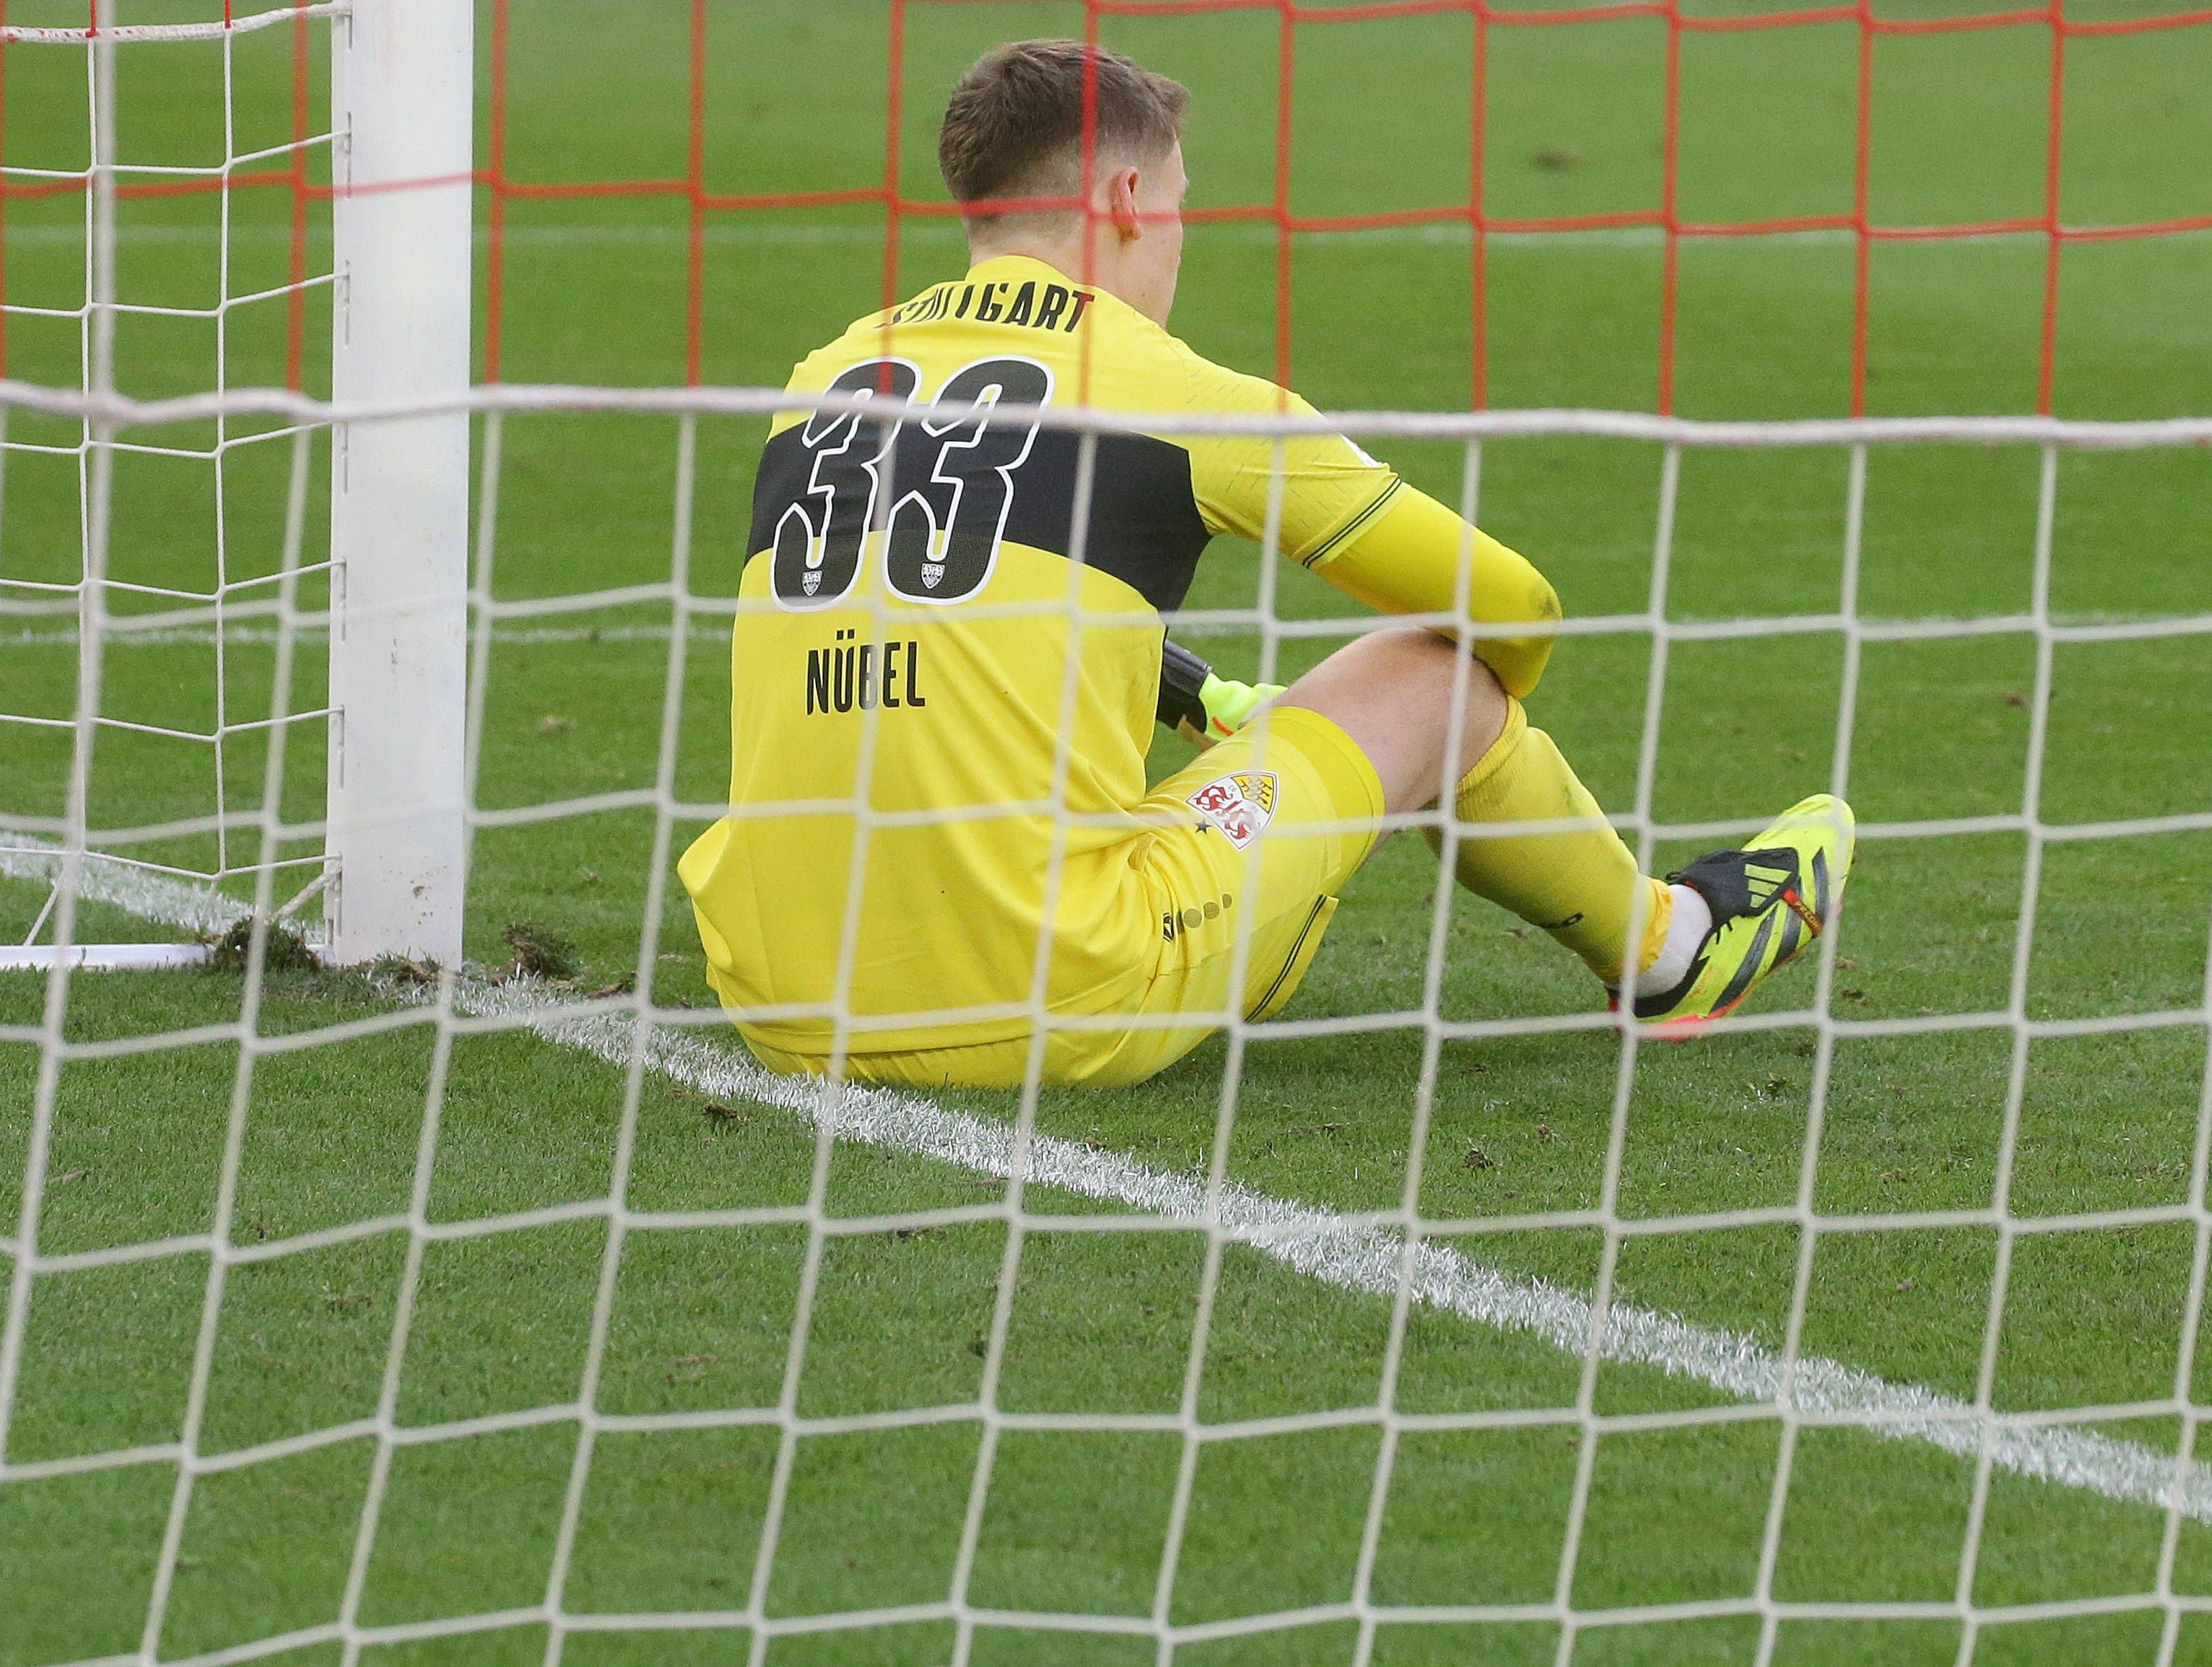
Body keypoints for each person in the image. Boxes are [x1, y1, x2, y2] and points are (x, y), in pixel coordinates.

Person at [677, 40, 1855, 1089]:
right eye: (1184, 207)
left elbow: (947, 621)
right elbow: (1512, 604)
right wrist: (1399, 739)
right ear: (1129, 198)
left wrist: (1205, 698)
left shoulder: (825, 377)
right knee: (1437, 675)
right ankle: (1670, 946)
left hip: (782, 1001)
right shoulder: (1182, 394)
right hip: (1049, 1005)